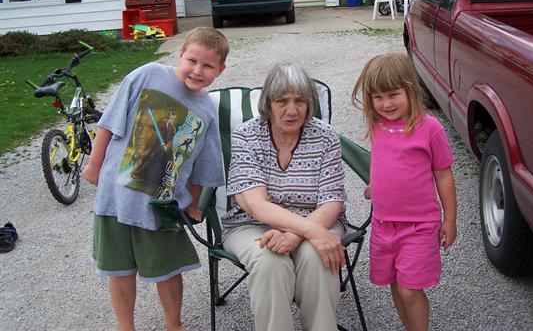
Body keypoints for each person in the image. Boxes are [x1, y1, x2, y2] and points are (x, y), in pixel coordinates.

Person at [82, 26, 229, 331]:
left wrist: (195, 205)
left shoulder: (207, 110)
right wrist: (94, 166)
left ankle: (173, 324)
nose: (197, 70)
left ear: (221, 70)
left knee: (168, 270)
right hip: (116, 196)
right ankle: (126, 327)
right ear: (180, 54)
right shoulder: (148, 74)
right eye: (192, 60)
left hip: (162, 206)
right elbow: (108, 123)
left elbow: (205, 164)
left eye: (208, 66)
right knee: (119, 269)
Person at [221, 62, 347, 331]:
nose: (292, 110)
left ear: (309, 103)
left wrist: (292, 236)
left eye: (300, 101)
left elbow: (331, 201)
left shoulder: (325, 137)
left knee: (318, 256)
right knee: (269, 260)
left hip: (317, 219)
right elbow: (255, 204)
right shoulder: (246, 135)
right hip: (250, 224)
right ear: (268, 103)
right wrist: (309, 232)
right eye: (282, 101)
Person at [351, 53, 457, 331]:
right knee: (395, 285)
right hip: (384, 225)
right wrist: (376, 184)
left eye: (393, 95)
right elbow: (383, 157)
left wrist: (450, 219)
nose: (385, 104)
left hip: (419, 225)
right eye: (377, 97)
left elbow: (444, 175)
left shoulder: (430, 128)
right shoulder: (378, 126)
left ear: (410, 89)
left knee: (411, 289)